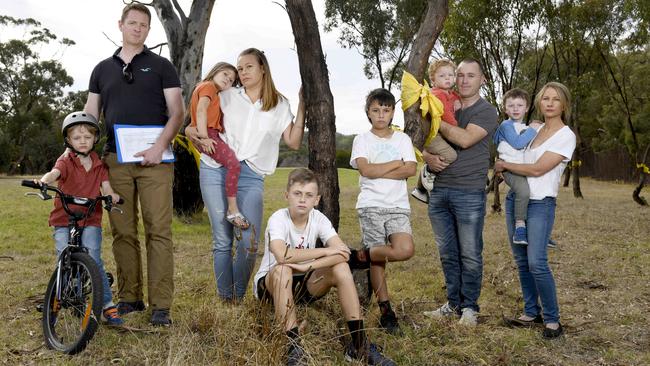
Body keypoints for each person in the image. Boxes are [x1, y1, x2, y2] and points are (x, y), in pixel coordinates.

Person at [84, 3, 184, 326]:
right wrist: (83, 151)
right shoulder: (101, 69)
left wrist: (160, 147)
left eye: (144, 24)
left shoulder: (162, 66)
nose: (138, 28)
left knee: (158, 230)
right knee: (123, 231)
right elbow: (90, 116)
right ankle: (129, 297)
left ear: (148, 30)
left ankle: (161, 307)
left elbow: (178, 112)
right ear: (121, 25)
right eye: (133, 23)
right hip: (115, 160)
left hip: (157, 160)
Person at [186, 48, 306, 302]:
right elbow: (201, 113)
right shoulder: (228, 95)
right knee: (222, 239)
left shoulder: (279, 104)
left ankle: (238, 296)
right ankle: (225, 299)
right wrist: (190, 130)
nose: (242, 72)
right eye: (240, 68)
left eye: (248, 66)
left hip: (251, 175)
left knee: (248, 242)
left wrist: (303, 105)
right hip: (216, 168)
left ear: (263, 68)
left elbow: (294, 142)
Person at [253, 168, 395, 366]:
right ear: (287, 195)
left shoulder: (318, 219)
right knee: (283, 269)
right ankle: (293, 347)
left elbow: (343, 253)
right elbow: (282, 255)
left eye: (308, 195)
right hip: (271, 285)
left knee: (341, 268)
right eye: (297, 194)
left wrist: (308, 266)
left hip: (304, 282)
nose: (302, 200)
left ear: (316, 200)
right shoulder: (278, 218)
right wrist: (325, 251)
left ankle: (359, 345)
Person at [495, 82, 576, 339]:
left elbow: (539, 169)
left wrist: (503, 165)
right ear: (539, 103)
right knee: (521, 261)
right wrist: (504, 167)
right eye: (545, 99)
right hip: (516, 201)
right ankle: (531, 312)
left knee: (536, 262)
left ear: (564, 104)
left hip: (541, 203)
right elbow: (518, 157)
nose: (550, 103)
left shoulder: (566, 135)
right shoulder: (534, 129)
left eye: (556, 99)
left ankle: (552, 320)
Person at [422, 58, 498, 326]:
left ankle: (470, 308)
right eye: (460, 75)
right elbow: (421, 141)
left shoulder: (486, 111)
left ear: (482, 80)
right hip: (439, 191)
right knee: (447, 252)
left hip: (468, 192)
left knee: (469, 252)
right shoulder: (444, 99)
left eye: (471, 75)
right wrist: (427, 157)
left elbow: (464, 139)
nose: (464, 80)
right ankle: (452, 304)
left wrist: (435, 115)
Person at [37, 111, 123, 326]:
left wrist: (112, 196)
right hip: (63, 217)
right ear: (68, 140)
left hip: (90, 218)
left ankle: (106, 305)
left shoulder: (99, 165)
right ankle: (58, 297)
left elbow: (106, 187)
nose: (82, 141)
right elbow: (54, 173)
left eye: (87, 137)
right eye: (77, 138)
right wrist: (44, 181)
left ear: (95, 138)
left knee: (93, 257)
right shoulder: (65, 161)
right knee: (63, 255)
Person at [348, 88, 417, 335]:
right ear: (368, 112)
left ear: (392, 112)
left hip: (397, 205)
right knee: (378, 260)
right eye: (376, 110)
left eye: (386, 110)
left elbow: (411, 170)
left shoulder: (402, 140)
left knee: (405, 249)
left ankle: (359, 255)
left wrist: (383, 169)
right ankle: (386, 310)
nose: (381, 115)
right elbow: (366, 170)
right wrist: (395, 163)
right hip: (371, 205)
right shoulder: (362, 140)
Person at [189, 62, 250, 230]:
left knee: (232, 164)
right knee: (234, 164)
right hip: (208, 133)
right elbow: (201, 110)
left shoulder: (213, 92)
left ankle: (231, 207)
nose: (227, 80)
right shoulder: (208, 86)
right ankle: (232, 209)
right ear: (215, 71)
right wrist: (204, 137)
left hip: (209, 132)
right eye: (225, 75)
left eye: (231, 80)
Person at [493, 88, 542, 245]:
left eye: (519, 105)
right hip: (509, 169)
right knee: (523, 191)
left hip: (521, 168)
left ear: (526, 107)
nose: (515, 109)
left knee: (534, 193)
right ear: (505, 108)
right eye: (511, 105)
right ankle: (520, 227)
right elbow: (518, 144)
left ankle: (538, 231)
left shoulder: (523, 127)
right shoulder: (506, 125)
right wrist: (533, 129)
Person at [411, 59, 461, 203]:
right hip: (432, 135)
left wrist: (457, 100)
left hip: (436, 134)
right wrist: (456, 128)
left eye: (450, 75)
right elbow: (446, 116)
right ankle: (428, 171)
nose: (447, 78)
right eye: (442, 76)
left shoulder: (447, 93)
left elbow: (454, 97)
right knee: (451, 155)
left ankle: (420, 189)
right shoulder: (437, 94)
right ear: (433, 79)